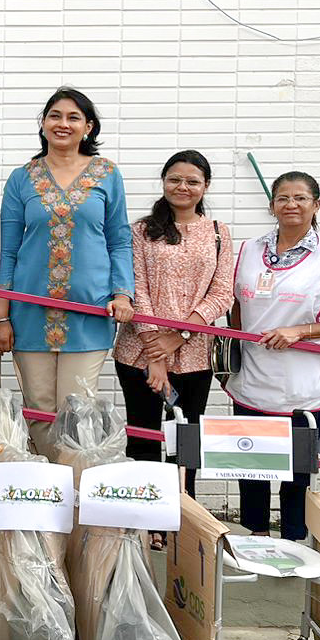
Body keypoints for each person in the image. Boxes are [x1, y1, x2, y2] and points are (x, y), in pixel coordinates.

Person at [0, 87, 133, 458]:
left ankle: (74, 496)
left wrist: (123, 293)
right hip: (30, 313)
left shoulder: (107, 174)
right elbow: (7, 251)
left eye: (73, 117)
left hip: (89, 313)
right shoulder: (23, 178)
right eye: (55, 116)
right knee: (38, 409)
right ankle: (47, 492)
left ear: (88, 127)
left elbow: (119, 240)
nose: (63, 124)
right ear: (42, 123)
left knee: (78, 409)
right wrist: (1, 316)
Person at [226, 172, 320, 541]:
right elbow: (237, 307)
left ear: (316, 205)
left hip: (304, 386)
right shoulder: (248, 250)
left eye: (301, 198)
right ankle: (255, 539)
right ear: (272, 205)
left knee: (295, 476)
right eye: (283, 197)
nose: (291, 204)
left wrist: (299, 331)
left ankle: (292, 542)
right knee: (252, 470)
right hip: (252, 381)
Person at [113, 150, 234, 540]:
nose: (183, 187)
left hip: (195, 352)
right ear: (164, 182)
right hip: (139, 352)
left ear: (205, 187)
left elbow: (222, 293)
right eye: (175, 179)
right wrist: (155, 353)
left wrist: (178, 336)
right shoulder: (141, 230)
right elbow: (137, 290)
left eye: (192, 181)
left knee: (187, 438)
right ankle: (147, 519)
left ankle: (182, 513)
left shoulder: (217, 232)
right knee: (145, 433)